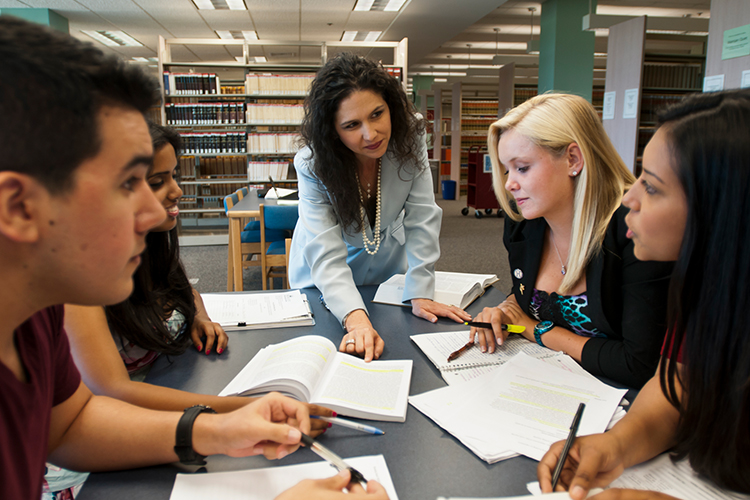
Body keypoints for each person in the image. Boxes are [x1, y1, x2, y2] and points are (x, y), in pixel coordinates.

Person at [0, 16, 384, 500]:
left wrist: (214, 431)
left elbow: (72, 423)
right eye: (128, 183)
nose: (154, 209)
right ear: (19, 207)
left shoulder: (38, 313)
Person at [538, 89, 750, 498]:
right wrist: (618, 443)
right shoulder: (708, 290)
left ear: (720, 210)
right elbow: (676, 390)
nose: (628, 198)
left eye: (650, 188)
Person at [470, 93, 674, 388]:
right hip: (551, 383)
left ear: (573, 159)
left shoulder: (633, 230)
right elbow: (528, 294)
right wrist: (504, 309)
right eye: (506, 169)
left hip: (621, 400)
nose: (509, 184)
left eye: (522, 168)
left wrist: (535, 330)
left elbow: (639, 363)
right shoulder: (523, 223)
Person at [288, 52, 470, 362]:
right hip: (323, 275)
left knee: (400, 344)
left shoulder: (408, 136)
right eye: (351, 125)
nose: (370, 134)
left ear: (391, 107)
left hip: (387, 267)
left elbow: (422, 215)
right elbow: (326, 253)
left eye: (377, 114)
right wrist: (354, 317)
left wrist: (421, 288)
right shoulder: (313, 164)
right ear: (332, 131)